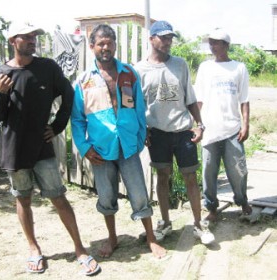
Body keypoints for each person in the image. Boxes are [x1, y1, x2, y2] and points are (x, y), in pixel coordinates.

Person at [0, 23, 100, 276]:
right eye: (25, 37)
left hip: (42, 147)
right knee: (22, 198)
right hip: (14, 150)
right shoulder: (1, 73)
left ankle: (80, 249)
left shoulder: (46, 68)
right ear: (12, 41)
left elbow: (68, 94)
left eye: (33, 37)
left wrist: (58, 125)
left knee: (58, 197)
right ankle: (33, 248)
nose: (31, 41)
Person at [71, 24, 167, 259]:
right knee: (106, 196)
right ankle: (112, 237)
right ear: (92, 46)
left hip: (128, 146)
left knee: (139, 193)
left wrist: (141, 133)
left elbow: (140, 106)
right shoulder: (84, 81)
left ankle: (151, 238)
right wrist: (84, 148)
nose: (106, 47)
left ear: (115, 45)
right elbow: (77, 119)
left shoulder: (128, 73)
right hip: (100, 150)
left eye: (110, 42)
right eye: (101, 43)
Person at [135, 20, 215, 245]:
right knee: (163, 176)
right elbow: (137, 106)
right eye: (163, 37)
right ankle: (166, 222)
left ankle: (199, 224)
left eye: (171, 37)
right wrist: (143, 130)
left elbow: (190, 98)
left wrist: (199, 125)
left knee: (190, 177)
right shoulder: (139, 70)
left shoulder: (180, 65)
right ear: (152, 39)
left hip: (182, 131)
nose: (168, 41)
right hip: (157, 133)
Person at [195, 29, 252, 222]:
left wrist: (245, 125)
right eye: (210, 42)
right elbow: (199, 99)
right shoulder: (204, 68)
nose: (213, 46)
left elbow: (244, 99)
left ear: (226, 45)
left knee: (239, 169)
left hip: (232, 130)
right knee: (208, 172)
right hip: (210, 130)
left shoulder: (239, 68)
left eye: (217, 42)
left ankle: (242, 201)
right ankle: (211, 207)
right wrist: (198, 124)